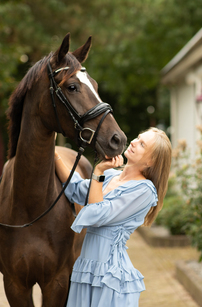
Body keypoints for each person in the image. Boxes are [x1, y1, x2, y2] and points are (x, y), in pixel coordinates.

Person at [54, 127, 172, 307]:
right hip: (86, 268)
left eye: (142, 144)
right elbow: (77, 188)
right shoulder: (110, 176)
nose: (133, 142)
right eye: (138, 137)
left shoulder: (144, 191)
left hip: (110, 276)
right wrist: (53, 154)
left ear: (151, 161)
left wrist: (98, 171)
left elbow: (96, 213)